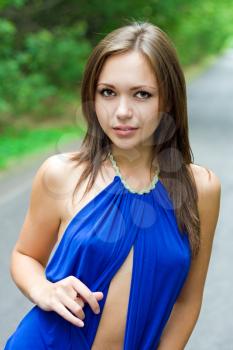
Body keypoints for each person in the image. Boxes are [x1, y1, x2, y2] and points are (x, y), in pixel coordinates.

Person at [4, 21, 221, 350]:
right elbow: (24, 255)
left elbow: (186, 302)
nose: (122, 112)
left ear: (169, 101)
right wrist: (43, 290)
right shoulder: (61, 173)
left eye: (142, 94)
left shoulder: (201, 188)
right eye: (108, 92)